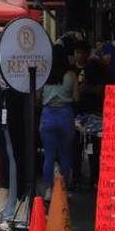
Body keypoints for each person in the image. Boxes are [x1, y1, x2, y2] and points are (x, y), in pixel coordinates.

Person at [40, 44, 79, 200]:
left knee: (49, 155)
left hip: (48, 115)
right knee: (65, 154)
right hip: (65, 115)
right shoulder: (71, 75)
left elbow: (37, 98)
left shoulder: (43, 73)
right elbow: (76, 97)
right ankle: (63, 190)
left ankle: (49, 190)